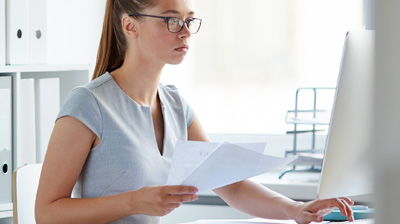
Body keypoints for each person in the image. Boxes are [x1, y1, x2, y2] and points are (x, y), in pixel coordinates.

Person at [35, 0, 355, 223]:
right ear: (130, 26)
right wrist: (134, 201)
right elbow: (46, 213)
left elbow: (230, 183)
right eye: (172, 20)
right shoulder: (88, 103)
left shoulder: (176, 105)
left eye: (189, 20)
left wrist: (296, 209)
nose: (185, 30)